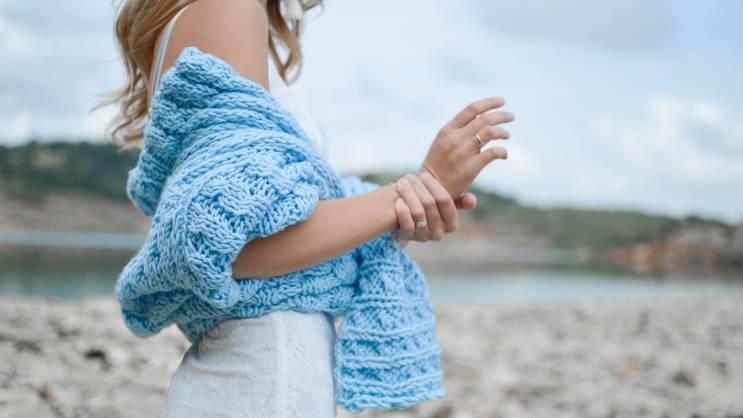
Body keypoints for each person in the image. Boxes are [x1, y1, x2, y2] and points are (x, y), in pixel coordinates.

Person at [99, 0, 514, 416]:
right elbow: (230, 245)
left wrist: (407, 208)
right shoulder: (231, 9)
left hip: (254, 375)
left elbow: (264, 225)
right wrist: (409, 192)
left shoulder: (213, 15)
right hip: (267, 376)